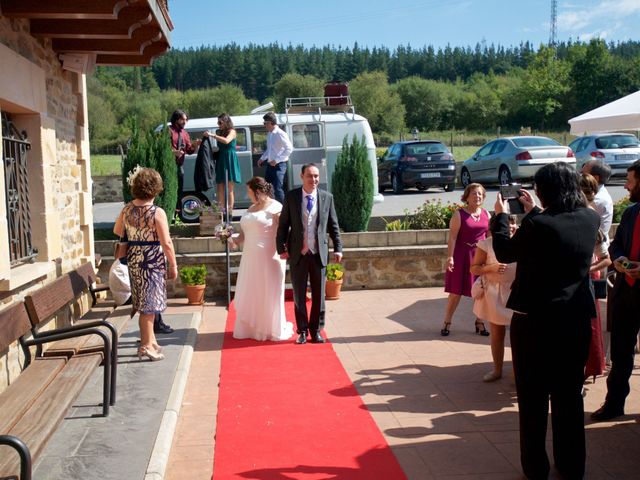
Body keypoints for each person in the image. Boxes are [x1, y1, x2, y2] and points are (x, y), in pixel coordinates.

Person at [491, 162, 600, 480]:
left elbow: (506, 252)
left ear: (543, 190)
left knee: (533, 398)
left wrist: (500, 217)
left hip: (536, 323)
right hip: (576, 319)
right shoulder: (590, 217)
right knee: (569, 396)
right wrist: (535, 211)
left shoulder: (539, 225)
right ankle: (571, 464)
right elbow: (558, 230)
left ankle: (535, 467)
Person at [591, 160, 640, 421]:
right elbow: (616, 244)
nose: (626, 185)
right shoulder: (631, 213)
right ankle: (614, 403)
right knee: (621, 353)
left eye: (630, 180)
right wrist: (621, 262)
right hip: (624, 293)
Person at [114, 167, 178, 362]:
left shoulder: (126, 209)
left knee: (144, 301)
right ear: (155, 188)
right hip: (152, 259)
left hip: (134, 258)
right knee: (149, 305)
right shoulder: (156, 212)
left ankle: (151, 340)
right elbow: (166, 242)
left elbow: (117, 230)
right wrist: (173, 265)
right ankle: (145, 346)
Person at [276, 163, 342, 344]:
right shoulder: (291, 197)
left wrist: (338, 248)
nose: (313, 180)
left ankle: (316, 330)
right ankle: (302, 331)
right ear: (302, 177)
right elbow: (283, 225)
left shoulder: (327, 197)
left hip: (318, 253)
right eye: (310, 176)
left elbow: (333, 226)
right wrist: (281, 248)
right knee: (299, 295)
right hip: (298, 253)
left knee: (319, 296)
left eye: (316, 176)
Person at [230, 177, 294, 341]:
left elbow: (285, 231)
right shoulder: (251, 208)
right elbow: (244, 235)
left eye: (249, 191)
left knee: (269, 291)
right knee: (252, 290)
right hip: (250, 257)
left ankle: (270, 328)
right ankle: (251, 328)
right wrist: (230, 238)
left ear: (257, 191)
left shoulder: (276, 207)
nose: (247, 194)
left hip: (270, 256)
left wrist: (286, 249)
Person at [470, 215, 517, 382]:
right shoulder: (486, 244)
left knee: (518, 336)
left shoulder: (521, 240)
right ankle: (497, 369)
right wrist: (492, 267)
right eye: (507, 223)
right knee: (497, 333)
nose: (511, 227)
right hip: (494, 293)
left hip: (517, 293)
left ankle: (518, 372)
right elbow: (474, 268)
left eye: (513, 223)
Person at [441, 183, 490, 337]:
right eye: (475, 194)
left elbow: (489, 237)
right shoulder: (459, 215)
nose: (478, 197)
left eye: (480, 194)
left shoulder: (487, 214)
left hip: (480, 257)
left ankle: (479, 321)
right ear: (467, 196)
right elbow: (453, 237)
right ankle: (447, 321)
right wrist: (450, 257)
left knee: (481, 291)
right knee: (456, 292)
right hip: (461, 256)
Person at [580, 173, 611, 381]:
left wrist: (587, 269)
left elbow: (605, 258)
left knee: (589, 324)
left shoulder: (590, 217)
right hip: (588, 273)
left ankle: (588, 366)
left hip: (587, 276)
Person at [108, 255, 174, 334]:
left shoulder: (122, 264)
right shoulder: (120, 268)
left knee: (151, 293)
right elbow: (128, 287)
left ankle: (159, 324)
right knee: (150, 297)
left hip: (126, 294)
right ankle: (157, 326)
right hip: (124, 298)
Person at [206, 113, 240, 218]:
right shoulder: (221, 132)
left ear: (226, 122)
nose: (218, 124)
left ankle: (229, 212)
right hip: (221, 159)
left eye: (220, 122)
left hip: (229, 159)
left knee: (229, 188)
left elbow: (226, 141)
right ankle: (221, 211)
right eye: (218, 122)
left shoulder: (232, 131)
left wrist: (212, 135)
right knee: (219, 186)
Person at [169, 110, 199, 216]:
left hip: (179, 166)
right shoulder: (168, 130)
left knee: (179, 192)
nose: (185, 122)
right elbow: (161, 148)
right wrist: (173, 152)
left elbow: (189, 151)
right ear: (176, 119)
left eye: (186, 120)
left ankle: (177, 215)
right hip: (168, 165)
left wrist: (195, 145)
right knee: (168, 190)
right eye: (182, 119)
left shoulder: (185, 134)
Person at [259, 112, 293, 204]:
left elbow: (289, 148)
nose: (264, 125)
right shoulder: (270, 134)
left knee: (277, 188)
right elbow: (269, 150)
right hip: (270, 165)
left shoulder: (280, 133)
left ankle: (285, 210)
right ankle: (271, 207)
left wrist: (277, 160)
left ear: (270, 122)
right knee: (267, 188)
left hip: (280, 165)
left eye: (265, 123)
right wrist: (262, 158)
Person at [582, 160, 613, 246]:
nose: (580, 177)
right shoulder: (596, 194)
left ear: (595, 178)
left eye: (583, 174)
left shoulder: (597, 201)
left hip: (595, 249)